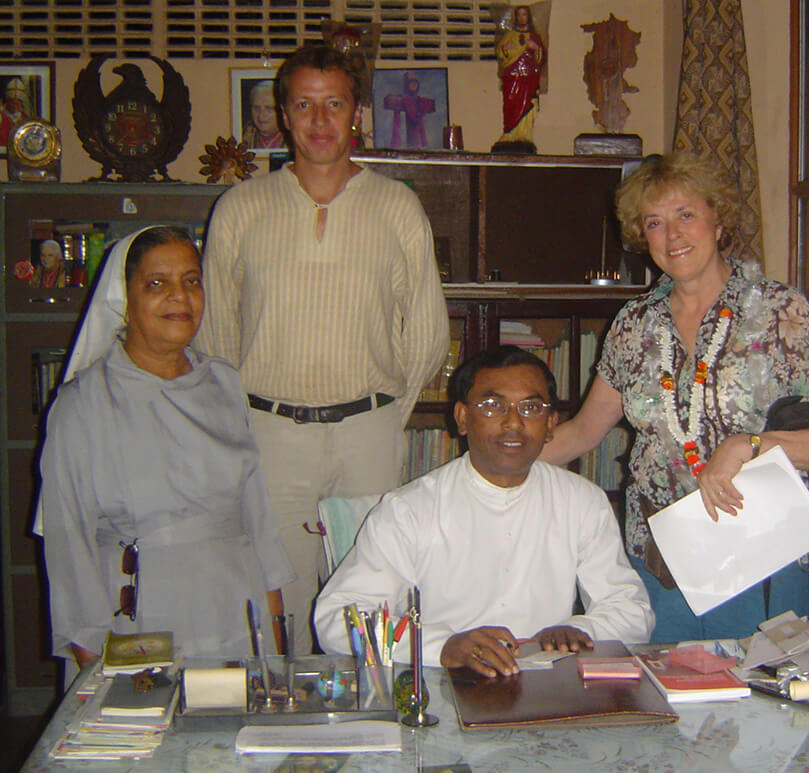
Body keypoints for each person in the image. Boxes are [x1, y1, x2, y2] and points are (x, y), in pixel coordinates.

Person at [541, 152, 809, 643]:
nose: (672, 236)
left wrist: (750, 445)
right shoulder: (633, 325)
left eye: (685, 215)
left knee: (756, 711)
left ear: (717, 219)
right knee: (661, 705)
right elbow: (585, 431)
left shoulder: (779, 311)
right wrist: (497, 464)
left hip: (760, 561)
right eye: (655, 223)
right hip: (660, 566)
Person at [196, 44, 450, 654]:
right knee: (272, 595)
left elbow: (427, 332)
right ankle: (286, 729)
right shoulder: (240, 208)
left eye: (332, 104)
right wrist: (245, 417)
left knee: (371, 593)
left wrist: (388, 415)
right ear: (283, 114)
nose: (318, 121)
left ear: (355, 112)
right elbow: (215, 333)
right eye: (304, 105)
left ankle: (371, 733)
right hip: (269, 434)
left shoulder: (396, 207)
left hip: (367, 432)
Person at [38, 226, 295, 670]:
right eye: (157, 284)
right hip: (141, 615)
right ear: (125, 299)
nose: (180, 296)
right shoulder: (83, 403)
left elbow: (257, 520)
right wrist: (90, 661)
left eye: (191, 281)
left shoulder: (225, 383)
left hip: (235, 604)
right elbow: (68, 545)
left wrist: (274, 636)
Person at [314, 346, 653, 676]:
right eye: (492, 406)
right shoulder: (409, 510)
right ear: (463, 418)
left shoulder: (582, 501)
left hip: (549, 686)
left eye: (531, 408)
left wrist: (584, 629)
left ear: (550, 423)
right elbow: (338, 622)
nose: (513, 423)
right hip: (441, 683)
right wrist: (442, 646)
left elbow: (633, 611)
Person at [494, 4, 546, 152]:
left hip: (529, 79)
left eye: (524, 15)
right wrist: (505, 49)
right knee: (511, 104)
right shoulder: (508, 37)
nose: (522, 18)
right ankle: (510, 133)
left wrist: (536, 48)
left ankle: (524, 135)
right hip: (512, 78)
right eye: (519, 15)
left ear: (528, 17)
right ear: (515, 18)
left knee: (527, 105)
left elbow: (541, 59)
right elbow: (501, 55)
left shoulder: (535, 37)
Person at [241, 79, 284, 150]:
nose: (261, 115)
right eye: (256, 108)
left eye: (269, 108)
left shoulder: (294, 138)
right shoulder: (243, 135)